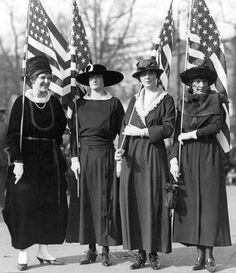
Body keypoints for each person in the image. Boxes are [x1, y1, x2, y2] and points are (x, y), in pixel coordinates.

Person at [2, 55, 68, 271]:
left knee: (48, 205)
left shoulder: (54, 104)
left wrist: (52, 150)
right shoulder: (21, 103)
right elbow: (13, 135)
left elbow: (59, 132)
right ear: (31, 79)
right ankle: (23, 252)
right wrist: (18, 160)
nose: (46, 81)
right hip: (26, 162)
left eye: (48, 77)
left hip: (49, 162)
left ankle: (43, 250)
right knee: (24, 206)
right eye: (41, 77)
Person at [170, 65, 231, 272]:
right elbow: (176, 133)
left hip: (208, 155)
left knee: (210, 204)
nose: (199, 84)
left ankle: (210, 253)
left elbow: (215, 126)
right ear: (190, 84)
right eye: (195, 81)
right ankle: (198, 253)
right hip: (187, 156)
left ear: (208, 83)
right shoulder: (183, 103)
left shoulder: (217, 100)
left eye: (203, 81)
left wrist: (191, 134)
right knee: (193, 204)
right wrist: (174, 160)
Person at [115, 58, 175, 270]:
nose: (147, 77)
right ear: (139, 78)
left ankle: (153, 252)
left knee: (152, 200)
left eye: (151, 73)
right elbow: (124, 128)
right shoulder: (134, 100)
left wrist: (142, 131)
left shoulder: (166, 100)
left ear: (157, 76)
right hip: (132, 155)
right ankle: (140, 252)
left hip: (152, 153)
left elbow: (168, 128)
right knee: (135, 201)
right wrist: (120, 149)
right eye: (143, 74)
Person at [66, 64, 125, 266]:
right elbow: (74, 135)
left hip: (106, 155)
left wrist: (120, 153)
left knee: (104, 201)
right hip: (84, 158)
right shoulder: (78, 105)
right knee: (88, 202)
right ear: (87, 81)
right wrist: (74, 158)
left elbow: (123, 132)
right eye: (91, 77)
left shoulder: (114, 104)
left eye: (98, 76)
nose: (94, 80)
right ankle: (91, 249)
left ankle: (105, 249)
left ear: (104, 80)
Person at [0, 106, 8, 208]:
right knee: (2, 182)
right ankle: (1, 203)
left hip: (2, 159)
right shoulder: (5, 126)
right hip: (3, 159)